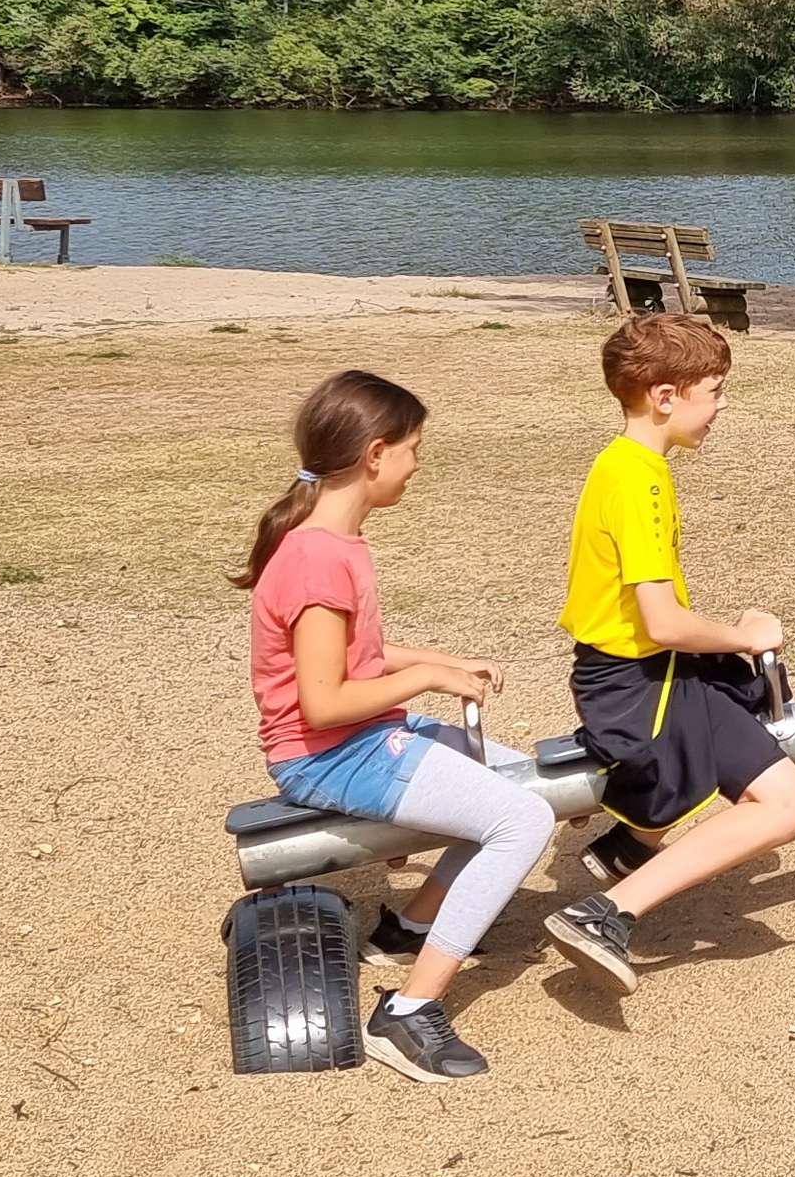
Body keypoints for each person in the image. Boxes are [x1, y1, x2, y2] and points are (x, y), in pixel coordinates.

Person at [235, 370, 556, 1085]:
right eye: (412, 449)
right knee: (522, 820)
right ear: (375, 454)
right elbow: (322, 703)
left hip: (364, 736)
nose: (417, 464)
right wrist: (426, 680)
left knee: (510, 782)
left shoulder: (330, 539)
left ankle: (407, 928)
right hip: (330, 754)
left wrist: (444, 659)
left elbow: (356, 656)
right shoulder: (318, 559)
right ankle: (409, 1013)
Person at [541, 313, 795, 991]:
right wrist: (744, 635)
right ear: (666, 396)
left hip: (647, 671)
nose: (721, 407)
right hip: (637, 683)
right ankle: (605, 912)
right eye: (715, 391)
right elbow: (662, 621)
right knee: (789, 804)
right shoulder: (638, 480)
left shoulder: (628, 465)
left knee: (775, 772)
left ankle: (627, 847)